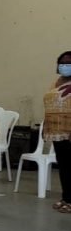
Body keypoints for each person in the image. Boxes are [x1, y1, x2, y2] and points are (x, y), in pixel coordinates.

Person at [44, 51, 71, 213]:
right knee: (64, 166)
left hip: (69, 131)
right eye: (62, 63)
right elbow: (50, 106)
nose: (65, 66)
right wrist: (46, 126)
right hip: (57, 131)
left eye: (68, 63)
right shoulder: (56, 83)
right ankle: (66, 197)